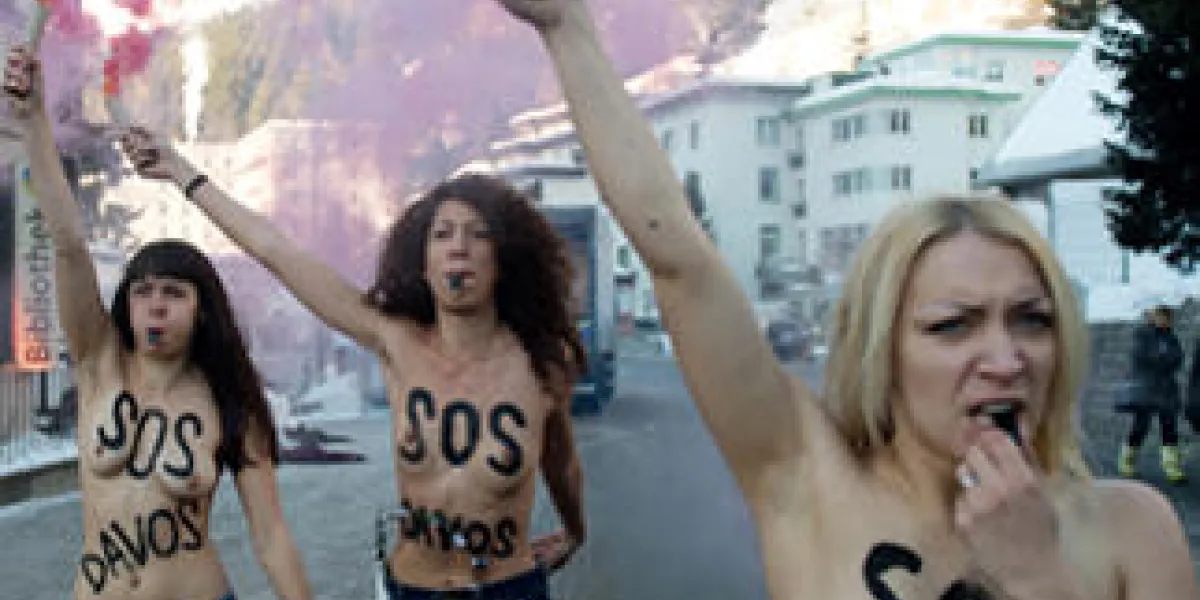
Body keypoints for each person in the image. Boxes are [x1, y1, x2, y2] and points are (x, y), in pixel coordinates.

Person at [493, 0, 1200, 598]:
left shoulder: (1135, 529)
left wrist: (1041, 577)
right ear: (883, 349)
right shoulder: (807, 477)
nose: (1005, 357)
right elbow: (680, 260)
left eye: (1033, 320)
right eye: (953, 326)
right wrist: (568, 29)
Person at [117, 92, 587, 600]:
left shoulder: (541, 364)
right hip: (413, 587)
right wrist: (182, 173)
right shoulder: (394, 339)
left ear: (504, 259)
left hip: (506, 587)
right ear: (422, 260)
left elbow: (560, 461)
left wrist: (575, 530)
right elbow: (276, 251)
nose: (458, 247)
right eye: (442, 234)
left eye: (478, 235)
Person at [3, 46, 315, 600]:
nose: (156, 305)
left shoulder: (230, 401)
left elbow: (270, 538)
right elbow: (70, 245)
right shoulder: (99, 364)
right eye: (143, 292)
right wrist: (31, 121)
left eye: (174, 293)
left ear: (203, 310)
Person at [1118, 305, 1186, 482]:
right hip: (1146, 388)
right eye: (1162, 315)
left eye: (1168, 316)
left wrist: (1163, 358)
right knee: (1141, 425)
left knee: (1169, 427)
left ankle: (1172, 467)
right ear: (1152, 316)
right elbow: (1142, 357)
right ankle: (1127, 461)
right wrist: (1162, 358)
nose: (1165, 319)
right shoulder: (1142, 334)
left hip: (1167, 389)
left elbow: (1178, 359)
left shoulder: (1171, 337)